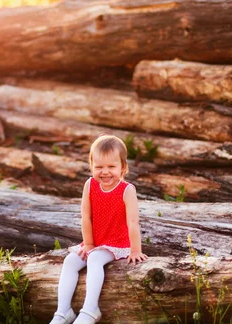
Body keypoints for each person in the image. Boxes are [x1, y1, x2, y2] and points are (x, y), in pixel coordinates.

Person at [49, 135, 148, 324]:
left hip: (118, 243)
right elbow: (86, 217)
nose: (105, 172)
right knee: (71, 260)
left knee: (94, 258)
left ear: (123, 167)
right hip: (96, 241)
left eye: (111, 167)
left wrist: (135, 250)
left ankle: (90, 310)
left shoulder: (127, 190)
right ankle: (63, 311)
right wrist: (88, 243)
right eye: (99, 167)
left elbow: (133, 223)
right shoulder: (90, 185)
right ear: (91, 165)